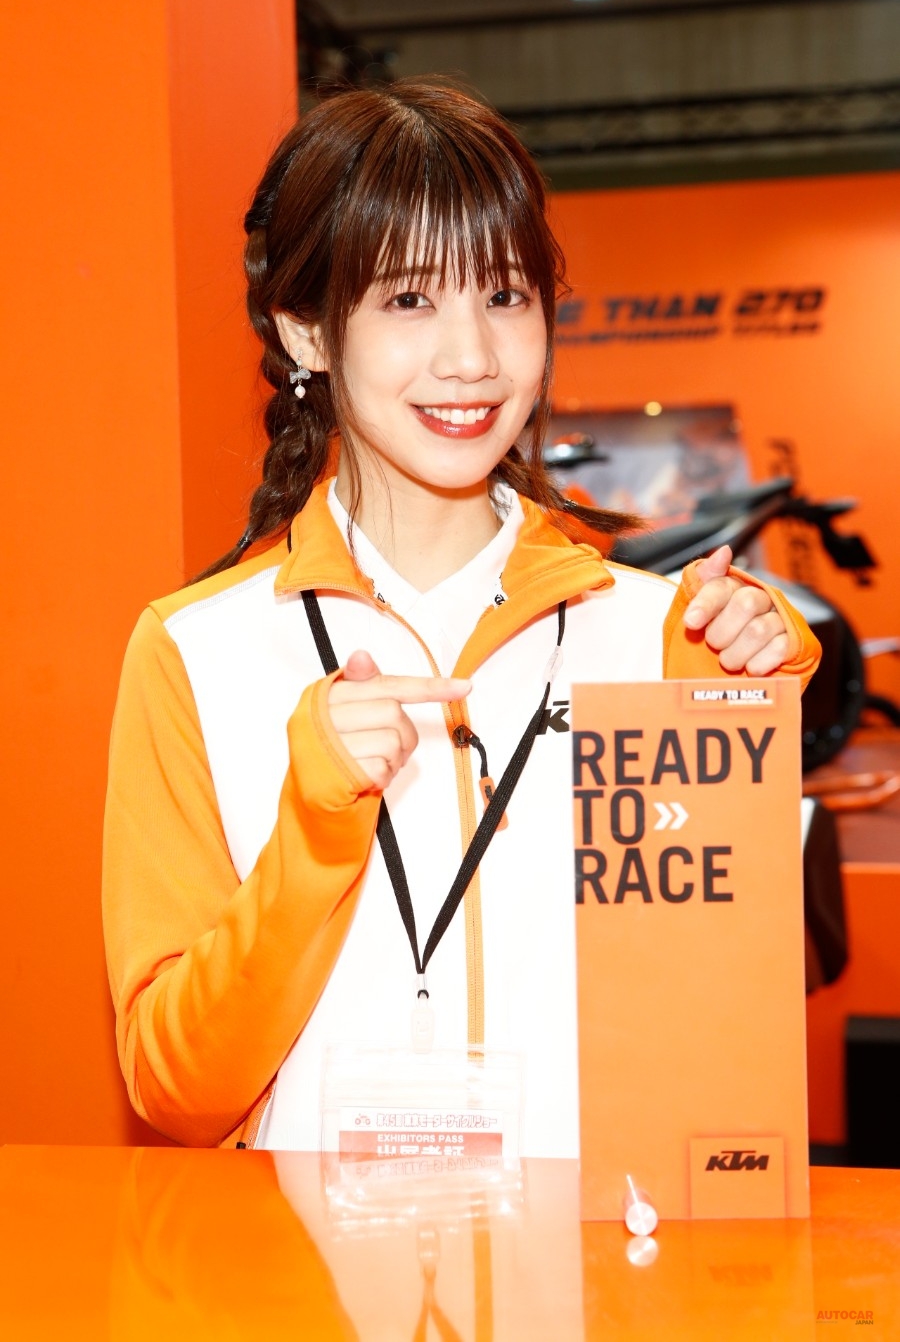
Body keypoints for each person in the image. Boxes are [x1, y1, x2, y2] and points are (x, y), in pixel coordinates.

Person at [102, 81, 820, 1153]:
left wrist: (746, 710)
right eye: (408, 301)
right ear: (306, 331)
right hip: (301, 1263)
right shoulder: (196, 653)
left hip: (601, 1260)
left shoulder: (660, 637)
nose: (473, 357)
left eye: (505, 294)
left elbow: (725, 1045)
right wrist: (312, 836)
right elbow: (176, 1090)